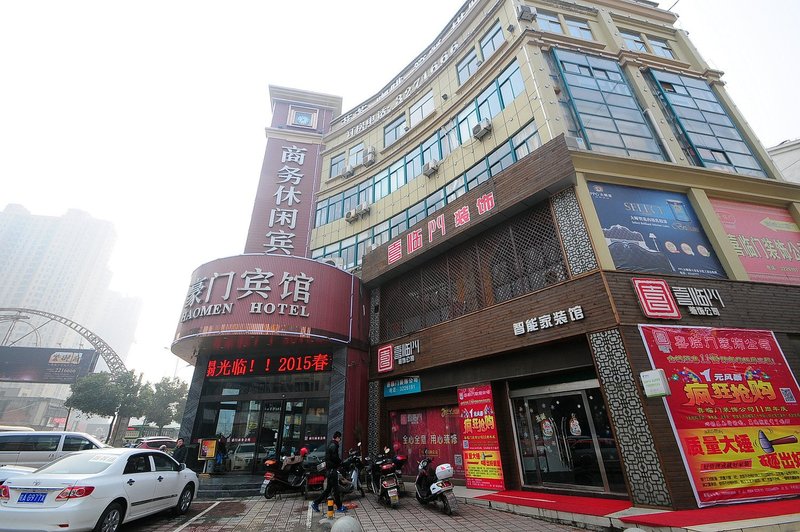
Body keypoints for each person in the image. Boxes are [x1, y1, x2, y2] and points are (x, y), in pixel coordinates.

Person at [311, 431, 346, 513]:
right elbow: (334, 457)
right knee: (335, 489)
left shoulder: (330, 444)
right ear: (337, 437)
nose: (340, 440)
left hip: (329, 470)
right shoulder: (334, 445)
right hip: (332, 470)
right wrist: (340, 462)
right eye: (340, 438)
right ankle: (339, 507)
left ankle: (316, 503)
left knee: (328, 489)